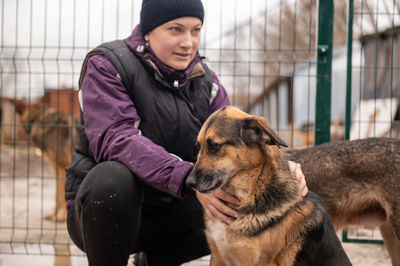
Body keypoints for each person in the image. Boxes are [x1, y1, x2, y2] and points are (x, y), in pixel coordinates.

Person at [65, 0, 308, 265]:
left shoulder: (206, 81)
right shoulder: (108, 66)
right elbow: (117, 139)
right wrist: (185, 178)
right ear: (148, 31)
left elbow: (237, 140)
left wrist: (282, 167)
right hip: (107, 214)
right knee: (112, 180)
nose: (188, 42)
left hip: (172, 209)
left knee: (251, 197)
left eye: (196, 30)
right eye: (176, 30)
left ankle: (155, 261)